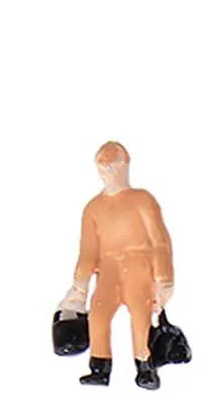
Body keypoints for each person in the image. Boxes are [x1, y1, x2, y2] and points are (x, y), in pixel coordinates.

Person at [56, 141, 174, 389]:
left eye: (111, 167)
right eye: (102, 168)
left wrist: (163, 279)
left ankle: (145, 366)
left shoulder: (142, 200)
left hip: (138, 267)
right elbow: (88, 251)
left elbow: (159, 241)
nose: (106, 173)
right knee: (98, 315)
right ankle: (99, 366)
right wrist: (79, 285)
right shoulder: (93, 208)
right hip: (109, 270)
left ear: (124, 166)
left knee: (140, 316)